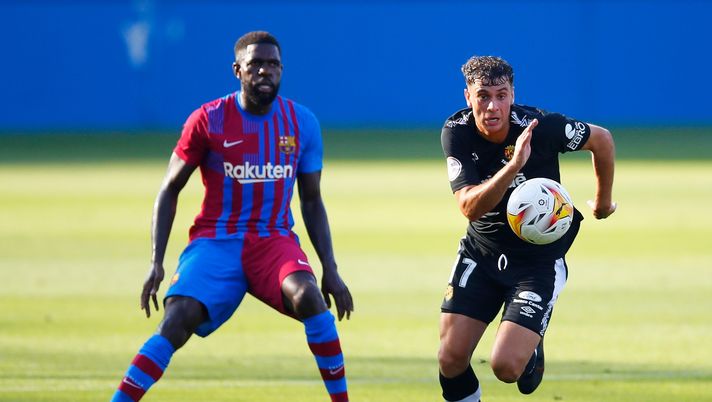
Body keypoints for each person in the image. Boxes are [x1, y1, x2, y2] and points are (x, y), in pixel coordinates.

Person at [111, 31, 353, 402]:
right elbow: (169, 189)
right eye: (256, 64)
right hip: (215, 242)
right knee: (177, 319)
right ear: (237, 70)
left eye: (273, 65)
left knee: (308, 297)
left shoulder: (301, 123)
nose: (265, 72)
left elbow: (312, 200)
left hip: (272, 240)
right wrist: (156, 262)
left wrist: (330, 269)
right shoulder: (208, 119)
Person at [437, 55, 616, 401]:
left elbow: (602, 140)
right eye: (483, 96)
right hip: (482, 253)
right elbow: (469, 207)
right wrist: (514, 165)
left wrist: (603, 201)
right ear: (467, 97)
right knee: (450, 359)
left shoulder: (540, 127)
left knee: (506, 368)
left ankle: (531, 344)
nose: (492, 106)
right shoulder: (456, 132)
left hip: (536, 262)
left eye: (501, 95)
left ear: (512, 94)